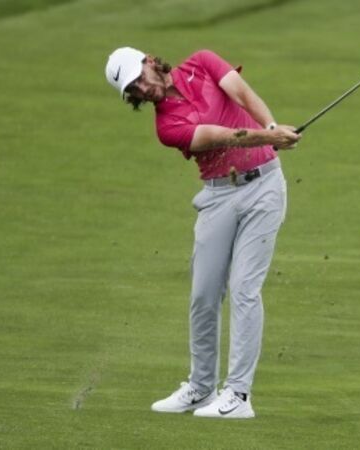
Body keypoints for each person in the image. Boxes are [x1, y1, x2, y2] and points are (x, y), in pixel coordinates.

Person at [104, 46, 301, 419]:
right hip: (218, 196)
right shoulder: (167, 127)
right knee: (203, 294)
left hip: (264, 188)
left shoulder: (202, 62)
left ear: (149, 61)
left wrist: (272, 128)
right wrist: (268, 137)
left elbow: (242, 93)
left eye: (139, 79)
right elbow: (221, 136)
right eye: (133, 90)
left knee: (244, 288)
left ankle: (238, 395)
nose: (142, 89)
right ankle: (201, 387)